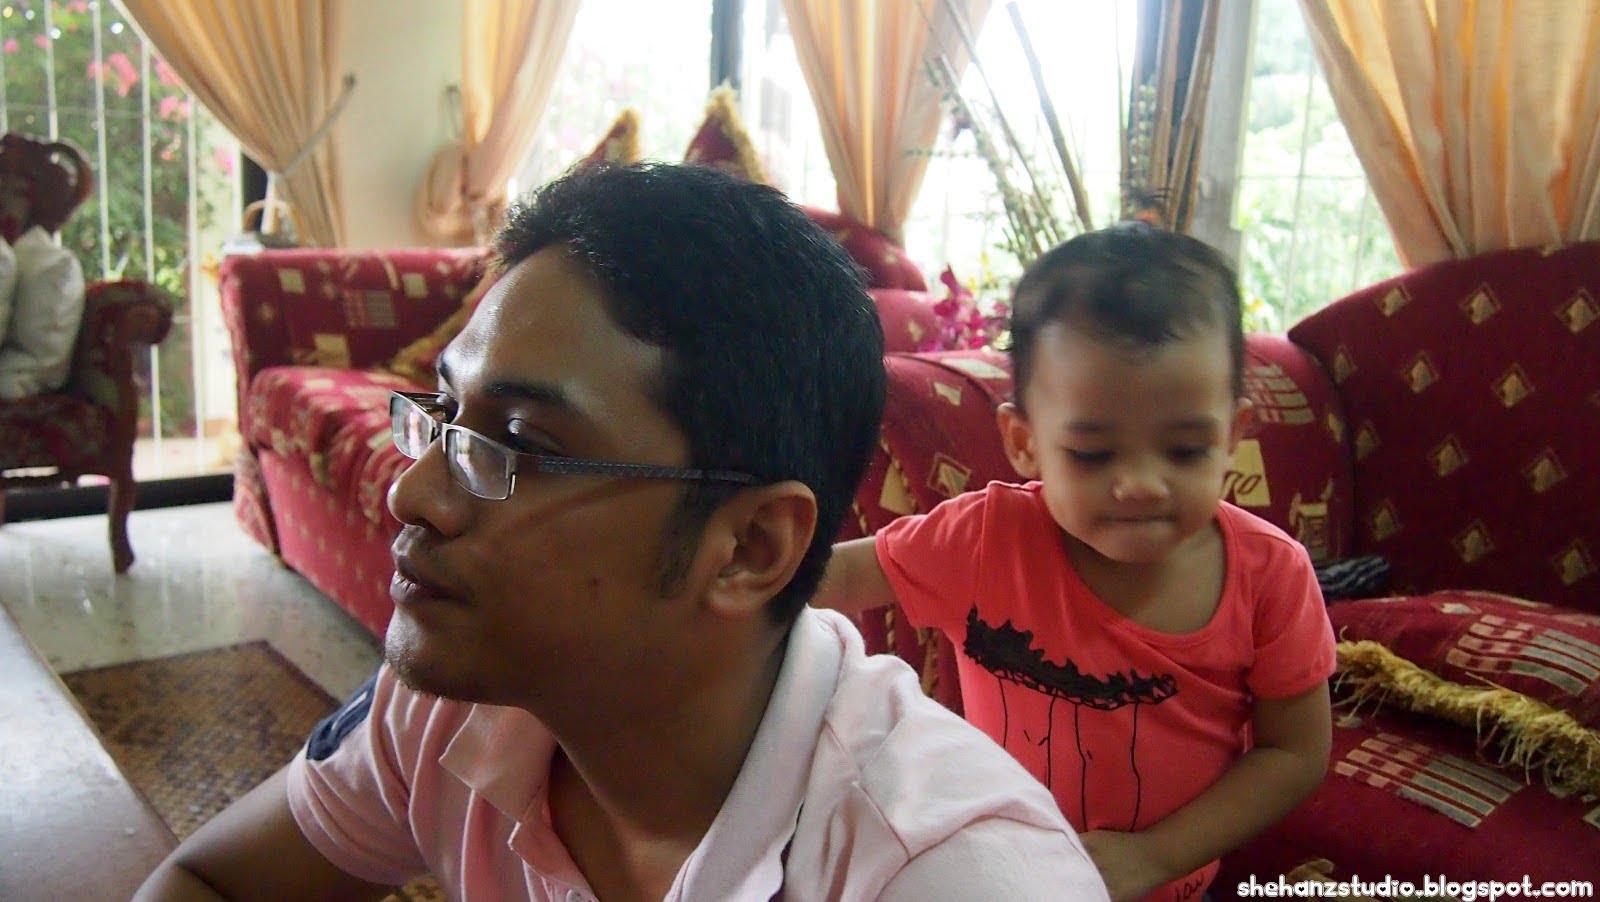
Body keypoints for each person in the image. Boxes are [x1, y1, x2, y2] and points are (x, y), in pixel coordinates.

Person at [135, 162, 1108, 901]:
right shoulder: (457, 704)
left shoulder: (951, 873)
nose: (413, 495)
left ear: (750, 547)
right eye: (443, 415)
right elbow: (211, 881)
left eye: (521, 443)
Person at [813, 224, 1336, 902]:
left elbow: (1295, 752)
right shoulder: (982, 539)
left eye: (1184, 451)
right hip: (990, 878)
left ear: (1233, 436)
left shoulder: (1271, 576)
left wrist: (1153, 856)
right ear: (1024, 442)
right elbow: (824, 578)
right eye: (1093, 455)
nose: (1141, 484)